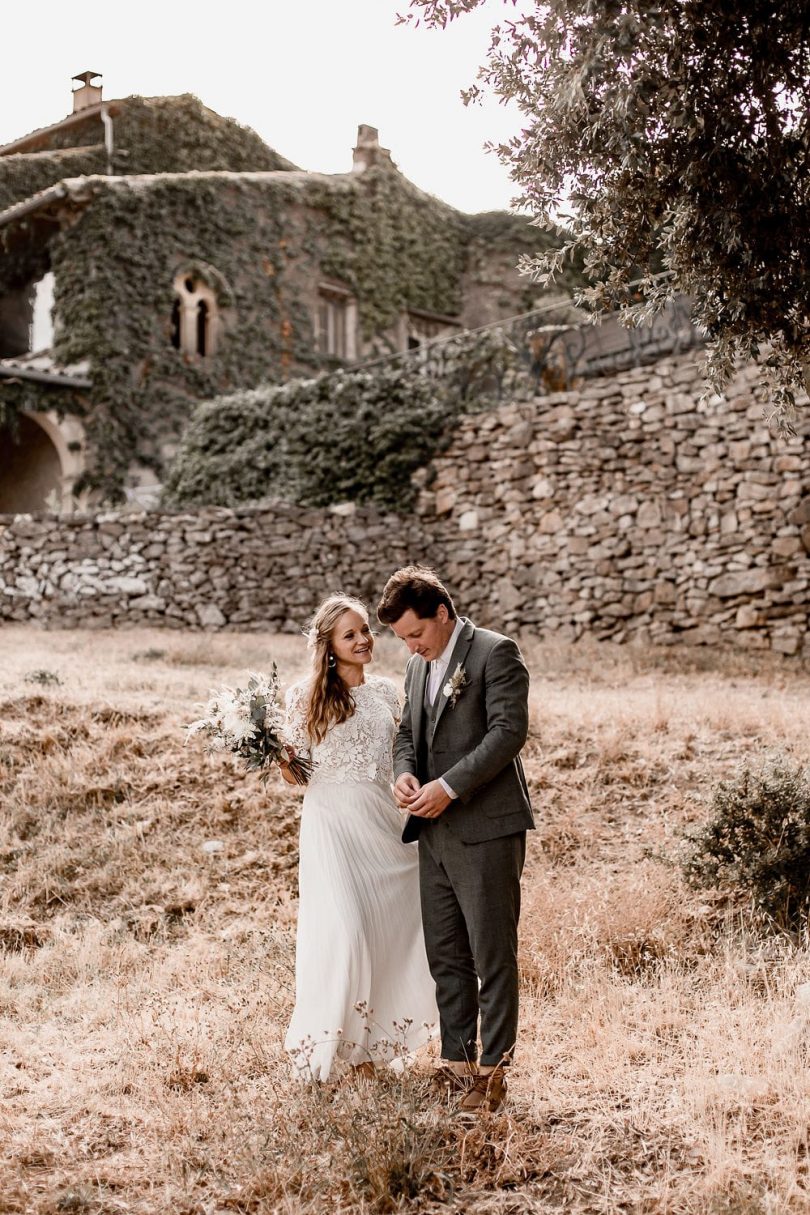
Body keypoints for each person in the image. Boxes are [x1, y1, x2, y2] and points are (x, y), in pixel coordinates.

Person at [377, 567, 533, 1114]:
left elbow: (508, 732)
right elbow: (405, 733)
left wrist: (449, 786)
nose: (411, 647)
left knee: (491, 953)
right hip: (433, 831)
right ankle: (458, 1062)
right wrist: (405, 773)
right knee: (446, 953)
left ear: (442, 614)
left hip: (487, 828)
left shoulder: (496, 653)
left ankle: (492, 1074)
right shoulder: (417, 667)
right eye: (402, 640)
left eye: (415, 634)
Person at [281, 593, 437, 1082]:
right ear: (329, 646)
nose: (364, 639)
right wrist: (281, 759)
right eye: (350, 634)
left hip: (383, 824)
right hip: (331, 825)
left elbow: (404, 756)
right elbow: (296, 776)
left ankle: (383, 1041)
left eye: (366, 629)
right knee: (345, 933)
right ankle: (346, 1050)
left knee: (392, 932)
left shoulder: (388, 694)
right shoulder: (303, 698)